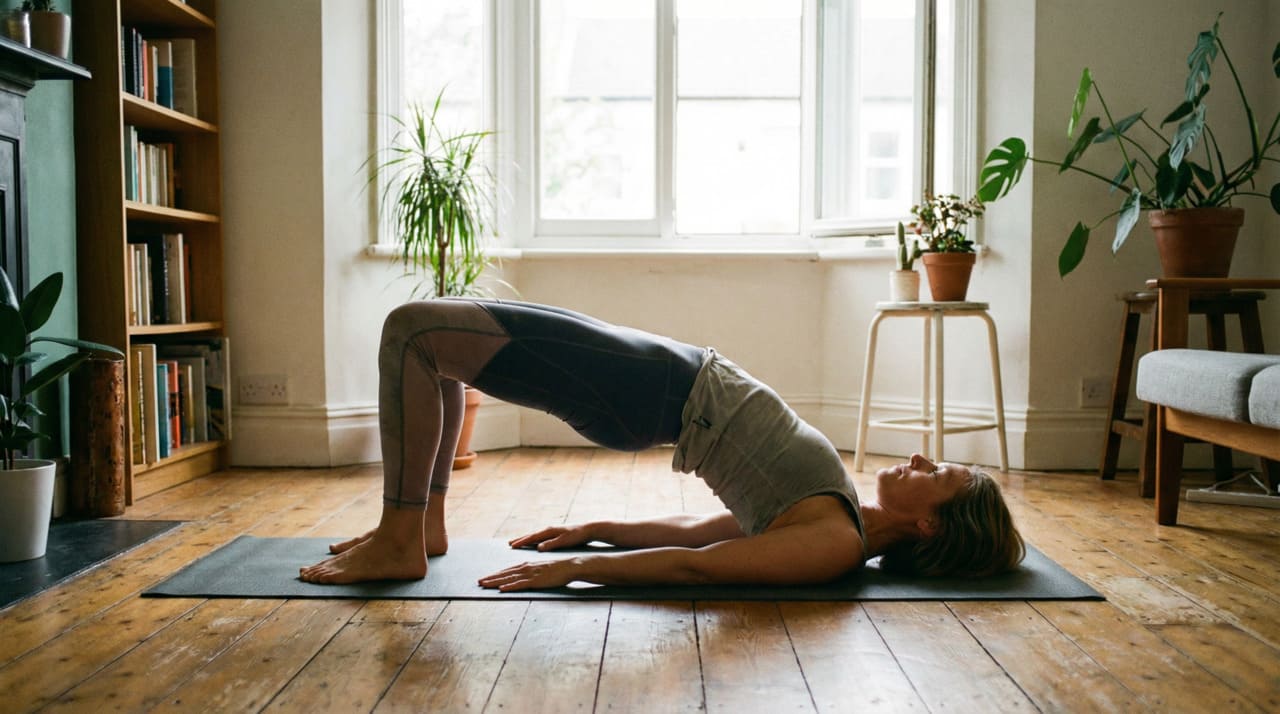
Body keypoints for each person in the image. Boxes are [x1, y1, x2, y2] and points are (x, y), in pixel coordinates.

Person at [298, 298, 1025, 587]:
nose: (924, 459)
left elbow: (698, 567)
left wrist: (580, 570)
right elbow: (709, 527)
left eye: (942, 474)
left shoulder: (834, 544)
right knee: (436, 343)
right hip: (660, 377)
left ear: (930, 521)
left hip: (649, 389)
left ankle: (401, 538)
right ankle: (420, 525)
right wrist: (600, 529)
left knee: (416, 333)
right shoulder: (839, 518)